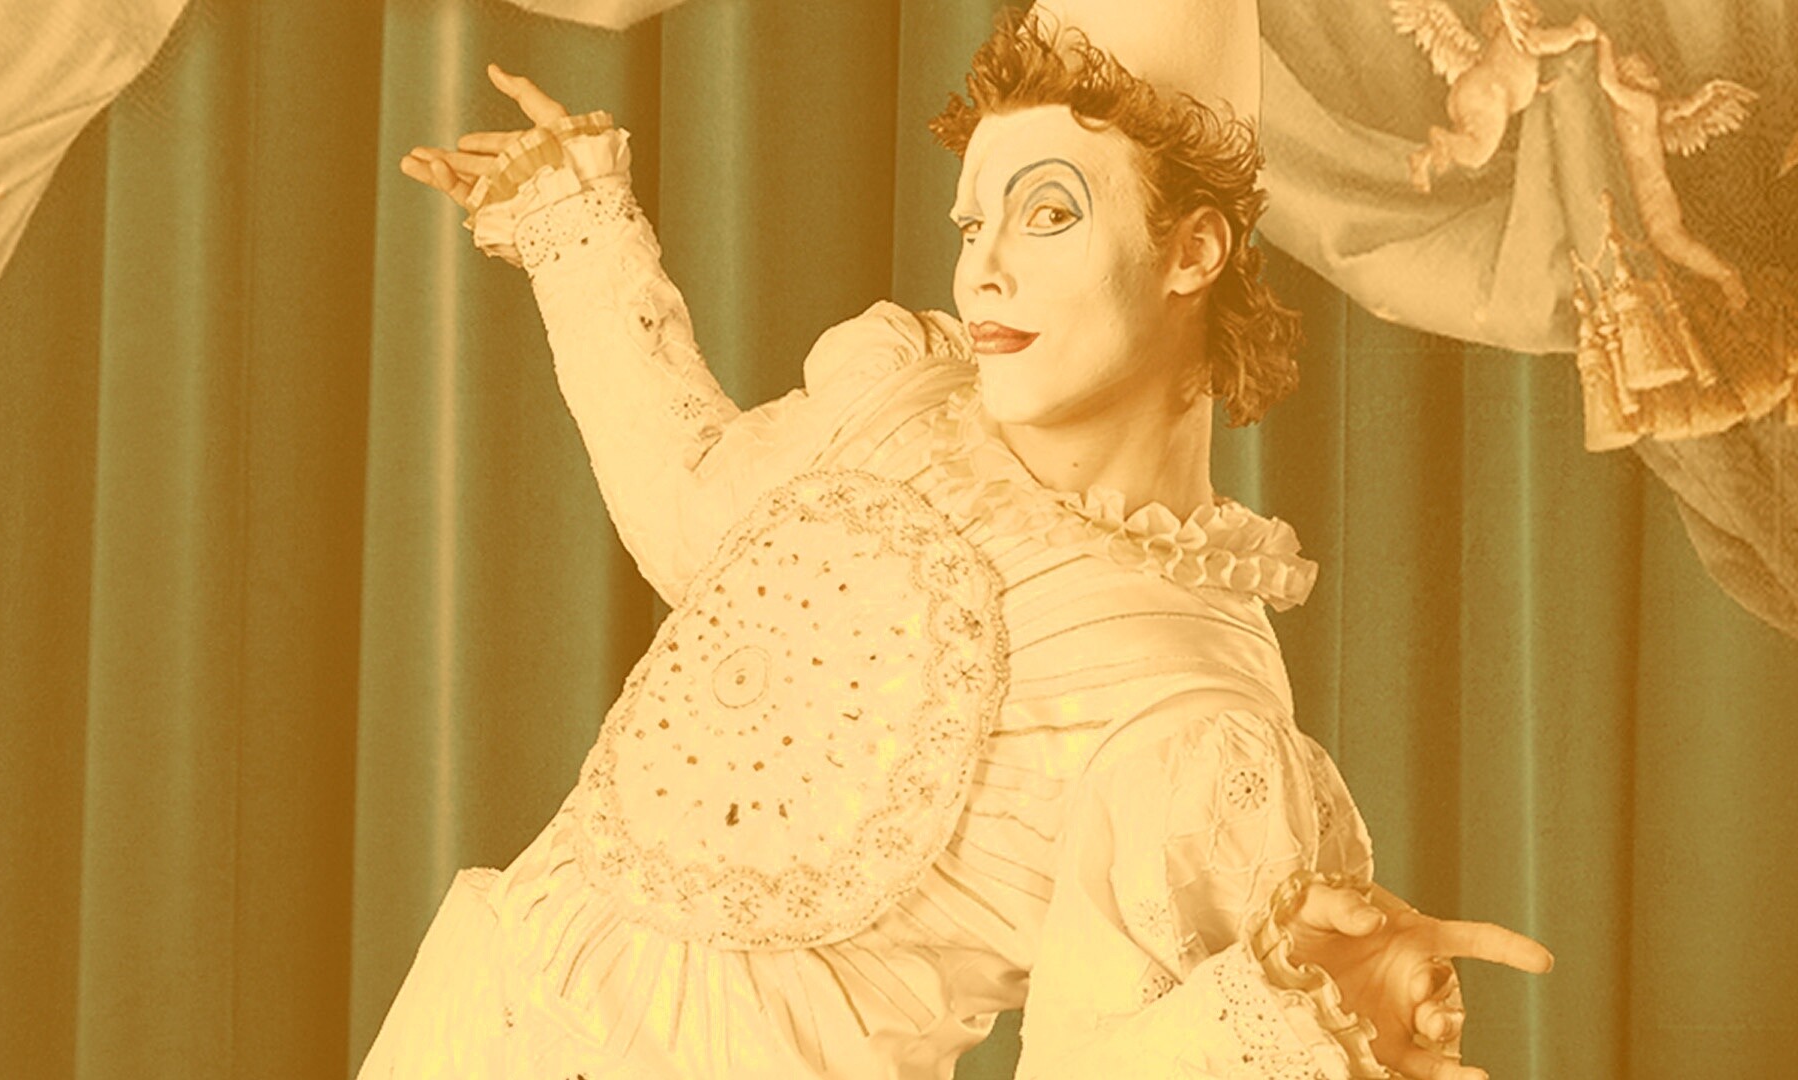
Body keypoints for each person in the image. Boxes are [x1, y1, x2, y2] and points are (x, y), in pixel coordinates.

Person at [374, 6, 1551, 1078]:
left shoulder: (1189, 706)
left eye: (1048, 214)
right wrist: (576, 229)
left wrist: (1296, 1009)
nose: (984, 267)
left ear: (1194, 252)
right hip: (464, 1034)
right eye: (974, 221)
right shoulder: (907, 404)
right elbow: (698, 525)